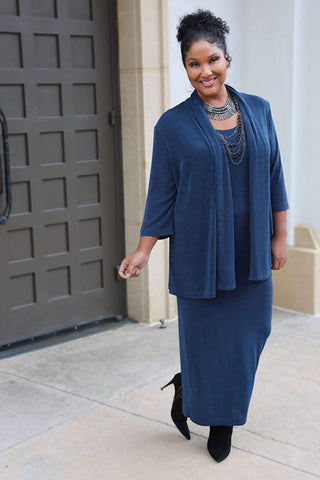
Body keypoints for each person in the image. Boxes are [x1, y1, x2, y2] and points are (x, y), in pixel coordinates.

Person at [119, 9, 289, 463]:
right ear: (185, 68)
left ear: (227, 58)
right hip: (201, 254)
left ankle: (190, 385)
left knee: (254, 331)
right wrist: (143, 249)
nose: (205, 71)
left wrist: (280, 236)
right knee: (208, 341)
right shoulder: (172, 126)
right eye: (194, 64)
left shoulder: (258, 109)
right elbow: (162, 196)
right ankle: (218, 421)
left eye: (212, 59)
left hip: (250, 248)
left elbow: (275, 175)